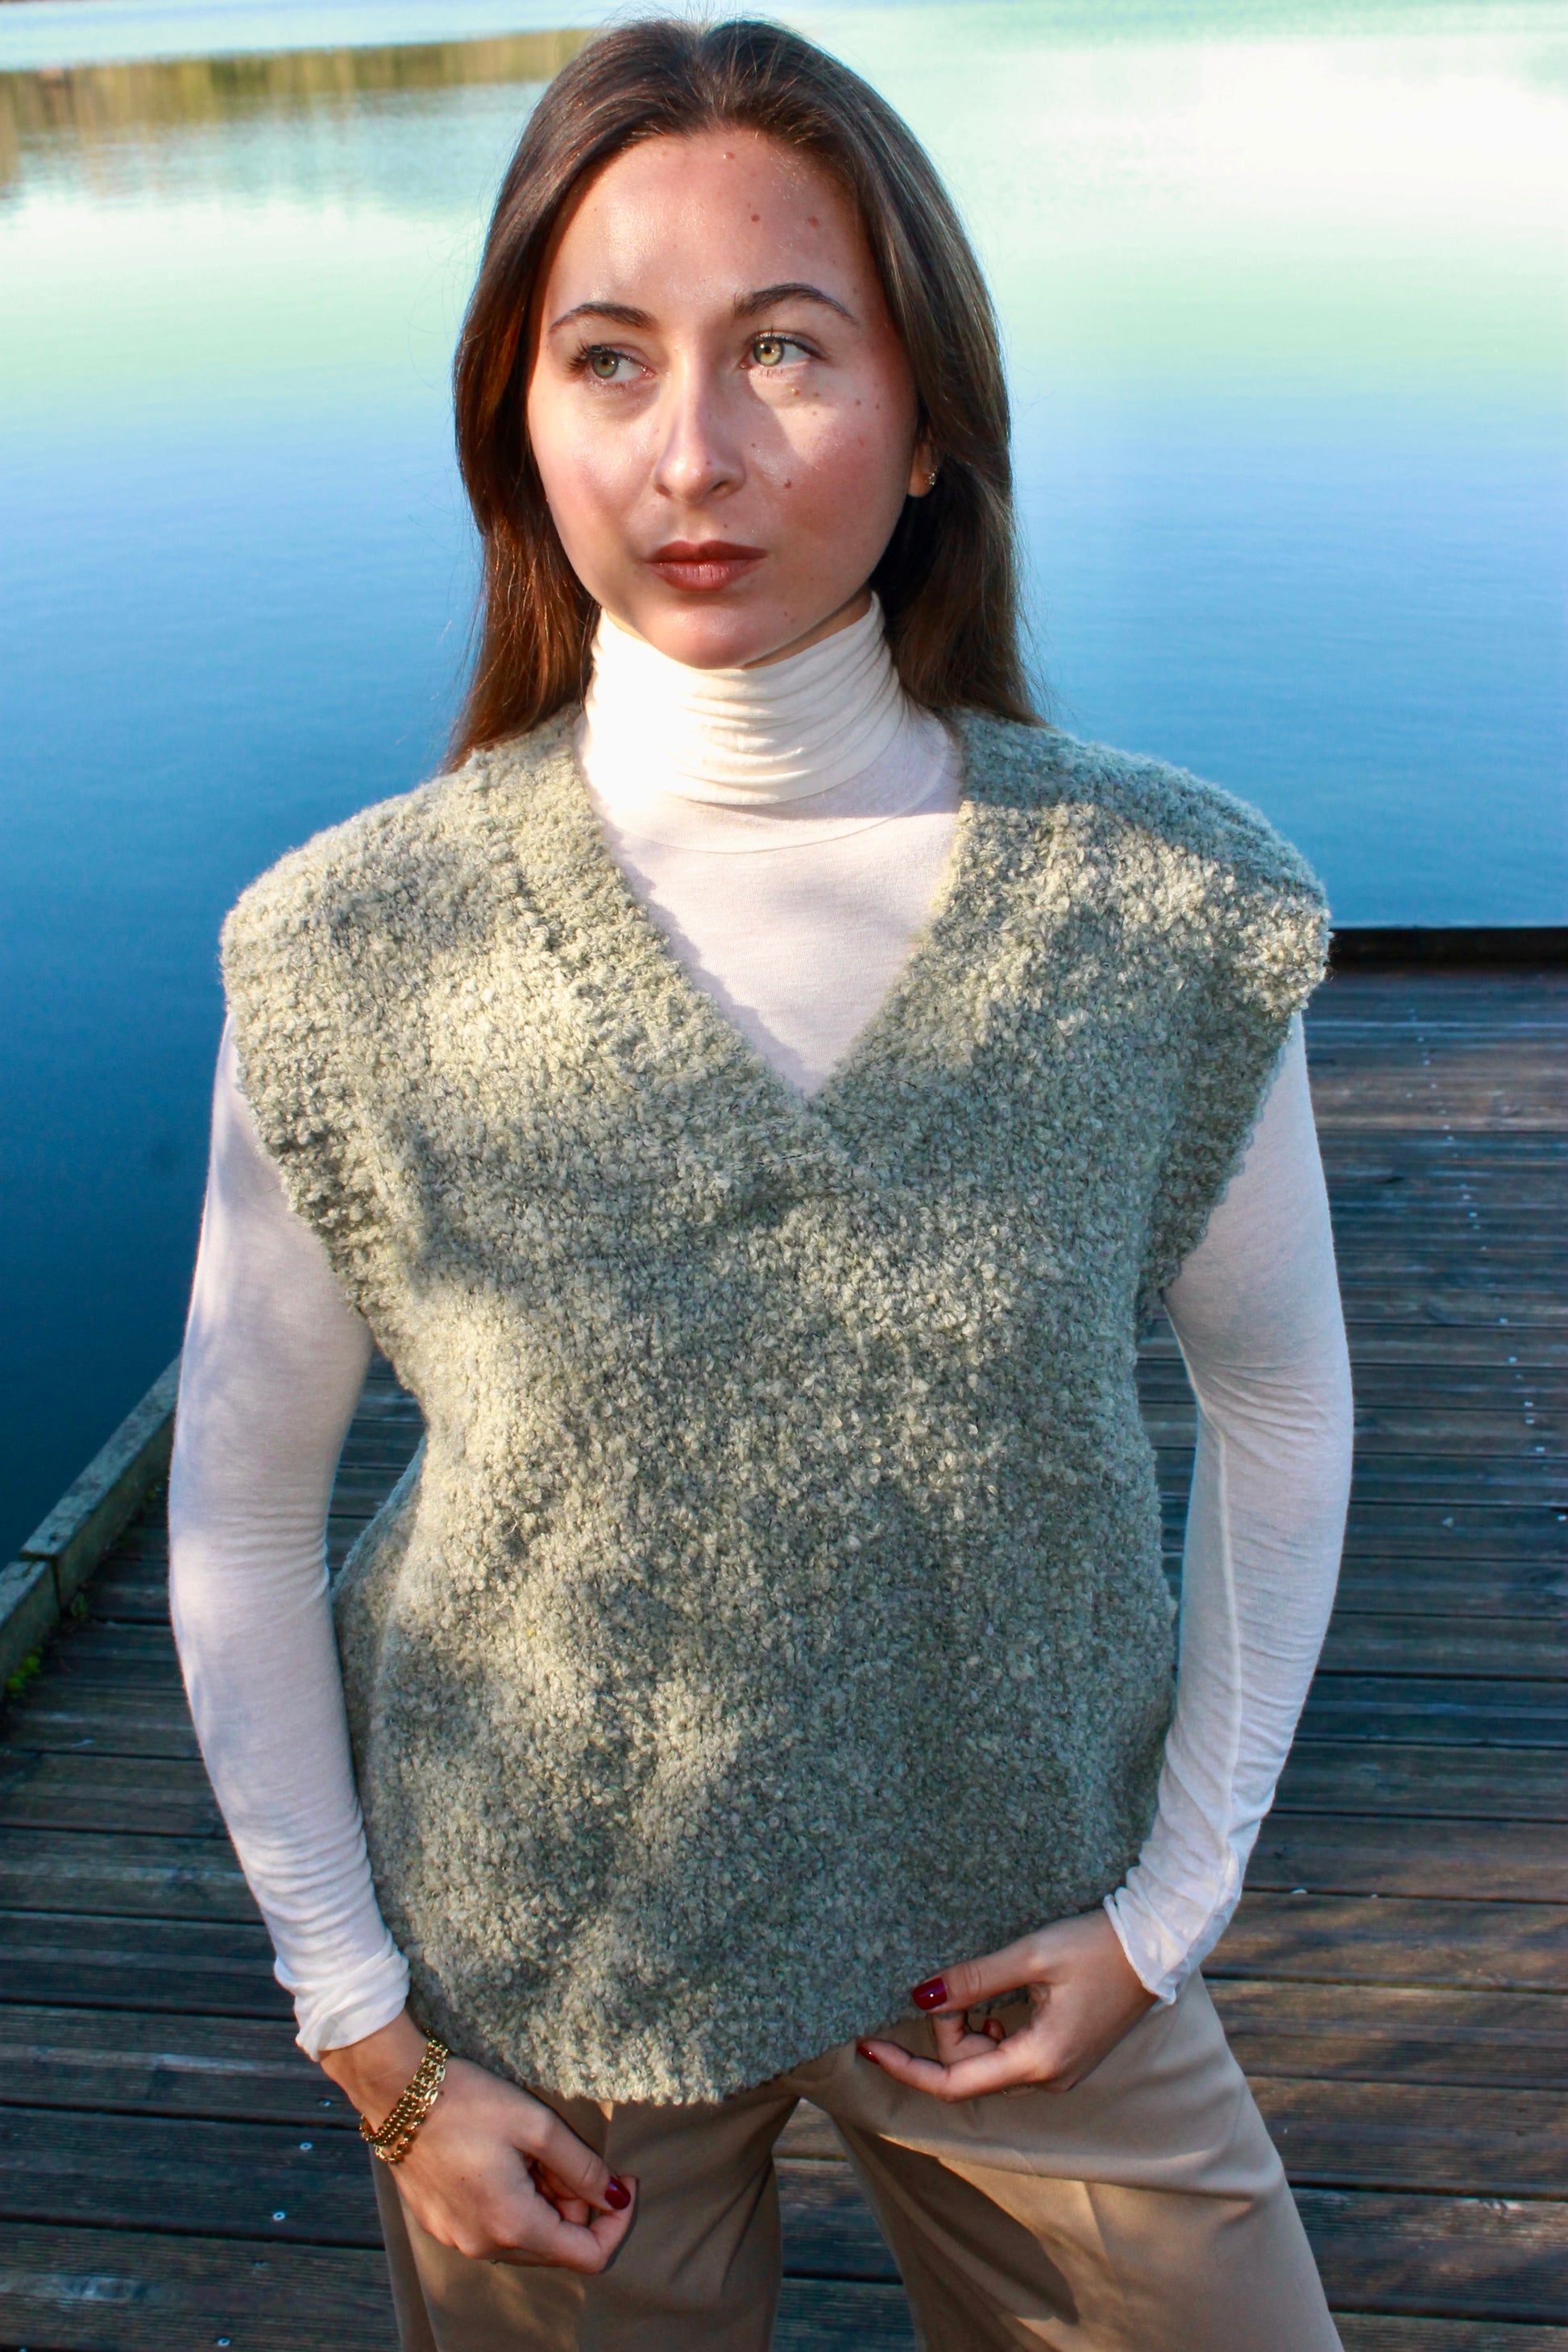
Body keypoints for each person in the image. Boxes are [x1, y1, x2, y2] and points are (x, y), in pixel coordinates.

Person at [168, 19, 1354, 2349]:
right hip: (539, 1989)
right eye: (607, 359)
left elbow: (1283, 1403)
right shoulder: (349, 947)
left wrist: (1170, 1912)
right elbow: (235, 1505)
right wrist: (372, 2043)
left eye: (787, 351)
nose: (691, 453)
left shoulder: (1161, 912)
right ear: (518, 422)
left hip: (1027, 1934)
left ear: (929, 424)